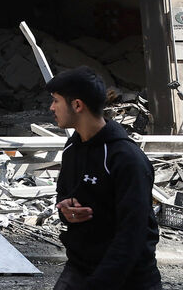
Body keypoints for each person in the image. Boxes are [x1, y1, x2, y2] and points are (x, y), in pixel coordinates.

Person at [48, 66, 160, 290]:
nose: (51, 108)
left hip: (128, 277)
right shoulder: (73, 147)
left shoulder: (127, 159)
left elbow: (133, 234)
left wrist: (99, 283)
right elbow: (64, 195)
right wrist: (67, 210)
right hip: (79, 268)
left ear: (77, 105)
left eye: (56, 101)